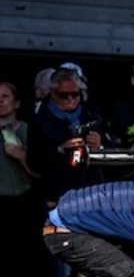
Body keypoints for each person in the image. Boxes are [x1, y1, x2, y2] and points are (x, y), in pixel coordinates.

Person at [0, 81, 41, 277]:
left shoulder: (26, 130)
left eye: (5, 97)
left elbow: (39, 171)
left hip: (19, 204)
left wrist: (21, 155)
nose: (0, 101)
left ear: (16, 102)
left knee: (16, 270)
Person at [29, 66, 106, 205]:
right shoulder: (39, 120)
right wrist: (58, 149)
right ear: (53, 93)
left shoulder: (92, 115)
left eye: (75, 94)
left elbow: (113, 149)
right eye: (64, 95)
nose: (71, 99)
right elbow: (33, 162)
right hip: (56, 194)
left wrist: (99, 145)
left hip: (90, 193)